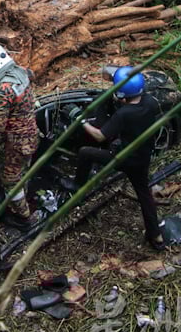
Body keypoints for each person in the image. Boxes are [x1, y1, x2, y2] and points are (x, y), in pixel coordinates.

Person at [59, 66, 166, 250]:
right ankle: (156, 237)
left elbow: (100, 136)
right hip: (143, 156)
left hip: (123, 159)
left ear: (122, 94)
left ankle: (78, 186)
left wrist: (79, 118)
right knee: (144, 195)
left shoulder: (123, 114)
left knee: (85, 152)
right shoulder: (150, 102)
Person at [0, 43, 41, 228]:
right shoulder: (21, 72)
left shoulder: (3, 89)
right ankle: (24, 197)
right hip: (31, 134)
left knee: (10, 181)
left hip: (15, 143)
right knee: (23, 171)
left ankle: (24, 217)